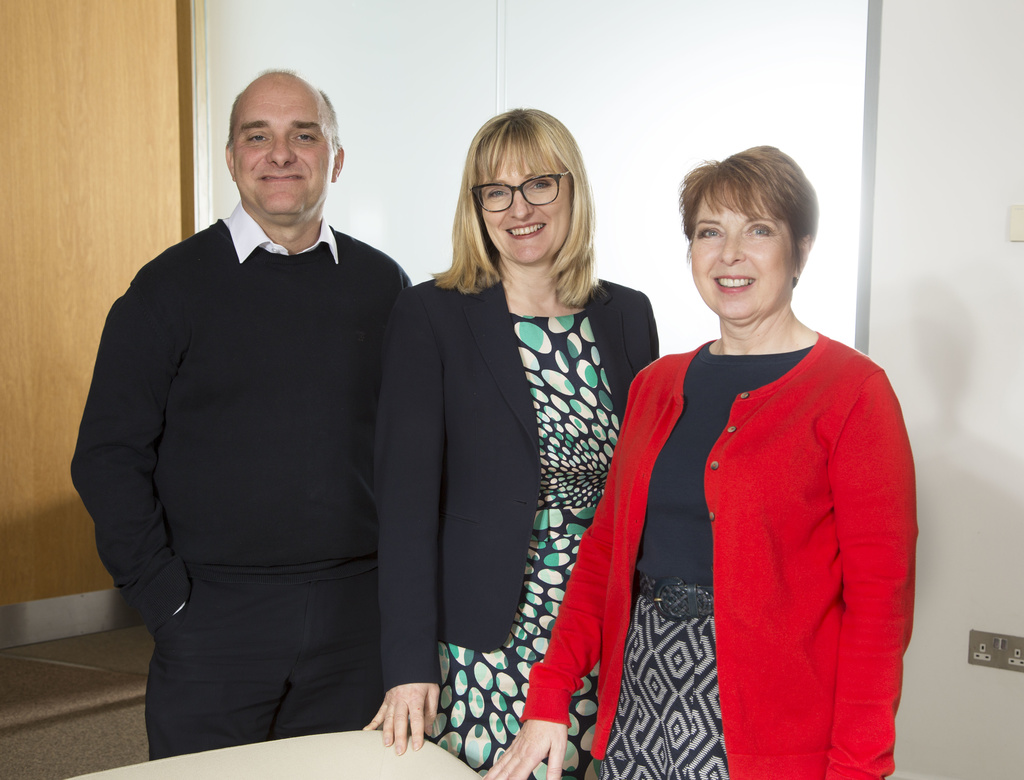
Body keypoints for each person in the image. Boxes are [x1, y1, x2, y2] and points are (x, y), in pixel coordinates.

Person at [486, 146, 917, 780]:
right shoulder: (657, 385)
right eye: (710, 232)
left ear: (802, 249)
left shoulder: (853, 392)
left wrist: (858, 766)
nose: (730, 254)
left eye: (759, 230)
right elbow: (605, 552)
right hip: (637, 712)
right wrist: (550, 697)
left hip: (772, 734)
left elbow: (879, 608)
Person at [70, 70, 410, 759]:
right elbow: (107, 456)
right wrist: (165, 599)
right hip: (213, 615)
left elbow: (412, 444)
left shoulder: (383, 285)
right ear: (232, 158)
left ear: (335, 159)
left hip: (356, 615)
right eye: (258, 136)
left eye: (303, 135)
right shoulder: (166, 288)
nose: (280, 154)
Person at [364, 108, 659, 778]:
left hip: (600, 628)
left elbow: (643, 486)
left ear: (572, 190)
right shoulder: (431, 314)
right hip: (487, 640)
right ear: (477, 207)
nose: (519, 208)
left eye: (539, 185)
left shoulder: (627, 315)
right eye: (496, 192)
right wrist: (409, 665)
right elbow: (405, 509)